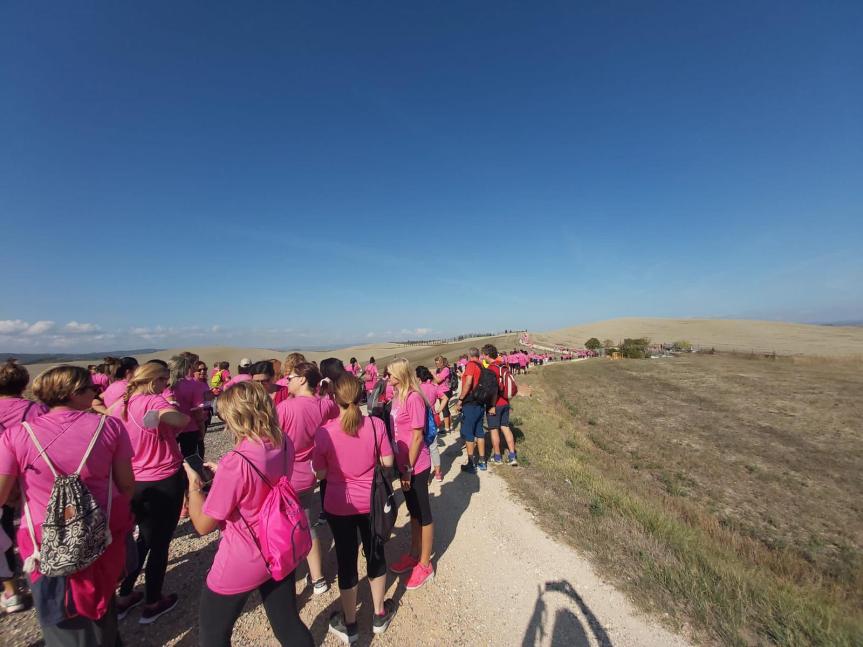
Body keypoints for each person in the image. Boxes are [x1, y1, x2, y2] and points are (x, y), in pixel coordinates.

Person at [0, 365, 135, 645]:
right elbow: (126, 484)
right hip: (101, 528)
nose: (97, 393)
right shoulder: (108, 426)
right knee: (101, 599)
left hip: (44, 539)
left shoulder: (17, 435)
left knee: (60, 615)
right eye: (91, 389)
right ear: (74, 393)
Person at [184, 381, 314, 647]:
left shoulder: (237, 461)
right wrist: (225, 474)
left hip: (243, 557)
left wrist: (194, 486)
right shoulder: (283, 440)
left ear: (235, 416)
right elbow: (265, 481)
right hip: (280, 547)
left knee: (213, 634)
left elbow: (203, 525)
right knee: (288, 624)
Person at [312, 374, 396, 644]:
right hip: (370, 502)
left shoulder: (324, 431)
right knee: (375, 552)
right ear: (362, 395)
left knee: (346, 560)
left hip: (338, 505)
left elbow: (321, 474)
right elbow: (387, 461)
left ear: (334, 398)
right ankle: (379, 613)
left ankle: (350, 622)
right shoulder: (375, 425)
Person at [108, 362, 191, 623]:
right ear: (155, 380)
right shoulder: (152, 400)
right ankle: (153, 601)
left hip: (134, 480)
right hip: (163, 479)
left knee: (142, 537)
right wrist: (170, 406)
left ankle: (125, 594)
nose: (167, 384)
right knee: (160, 542)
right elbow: (182, 419)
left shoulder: (121, 404)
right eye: (165, 380)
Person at [0, 359, 49, 614]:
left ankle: (11, 590)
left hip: (2, 478)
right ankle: (42, 573)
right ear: (25, 383)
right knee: (33, 525)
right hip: (32, 478)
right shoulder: (36, 410)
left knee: (2, 533)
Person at [276, 362, 328, 595]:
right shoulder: (325, 404)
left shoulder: (285, 408)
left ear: (303, 380)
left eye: (291, 377)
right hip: (310, 473)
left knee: (281, 528)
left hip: (284, 476)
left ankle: (283, 578)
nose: (287, 381)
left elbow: (272, 443)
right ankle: (318, 579)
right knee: (307, 524)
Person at [386, 358, 435, 589]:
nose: (387, 378)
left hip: (416, 466)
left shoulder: (414, 398)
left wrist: (408, 469)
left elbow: (417, 436)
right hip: (403, 464)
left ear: (400, 374)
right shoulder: (397, 396)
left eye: (390, 374)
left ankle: (425, 564)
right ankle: (414, 554)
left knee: (423, 514)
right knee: (413, 512)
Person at [167, 353, 210, 461]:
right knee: (190, 458)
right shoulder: (192, 384)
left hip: (170, 429)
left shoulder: (164, 386)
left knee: (171, 457)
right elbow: (197, 411)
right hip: (190, 427)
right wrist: (202, 429)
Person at [481, 345, 518, 466]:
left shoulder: (491, 369)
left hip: (495, 404)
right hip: (505, 402)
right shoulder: (503, 366)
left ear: (487, 355)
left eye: (483, 355)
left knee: (494, 430)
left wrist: (491, 405)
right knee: (506, 427)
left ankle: (497, 457)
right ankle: (512, 455)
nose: (483, 357)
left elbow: (493, 389)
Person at [456, 347, 487, 473]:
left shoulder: (470, 365)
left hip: (470, 403)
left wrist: (460, 400)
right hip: (480, 403)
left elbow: (468, 383)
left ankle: (470, 463)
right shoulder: (482, 366)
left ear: (469, 355)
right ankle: (482, 461)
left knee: (469, 433)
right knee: (479, 432)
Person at [416, 366, 446, 482]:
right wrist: (439, 410)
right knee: (434, 447)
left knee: (423, 449)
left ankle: (426, 476)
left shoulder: (417, 389)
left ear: (418, 377)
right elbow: (445, 398)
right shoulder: (433, 387)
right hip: (432, 418)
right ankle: (438, 473)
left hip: (420, 420)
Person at [431, 356, 453, 434]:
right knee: (445, 408)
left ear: (442, 362)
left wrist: (433, 374)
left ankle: (447, 428)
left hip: (445, 391)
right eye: (436, 363)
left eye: (438, 363)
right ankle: (450, 425)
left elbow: (438, 380)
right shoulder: (438, 370)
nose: (437, 365)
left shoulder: (446, 369)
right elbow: (435, 381)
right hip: (440, 391)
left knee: (444, 409)